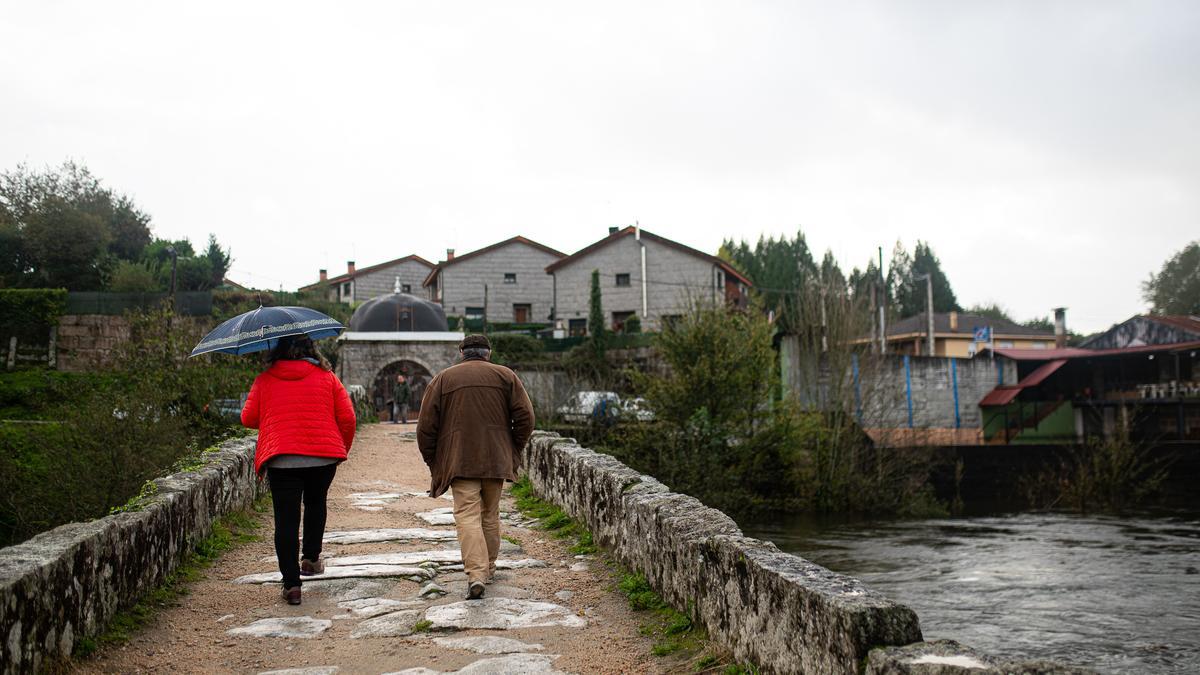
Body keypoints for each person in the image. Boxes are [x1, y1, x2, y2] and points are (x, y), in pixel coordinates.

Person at [416, 334, 535, 600]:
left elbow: (425, 427)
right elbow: (526, 418)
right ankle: (488, 568)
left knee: (467, 515)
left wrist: (434, 461)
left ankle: (476, 574)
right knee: (490, 514)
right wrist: (512, 449)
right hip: (496, 458)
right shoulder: (506, 376)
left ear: (462, 353)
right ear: (488, 353)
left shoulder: (444, 379)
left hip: (460, 461)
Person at [241, 334, 356, 606]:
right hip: (322, 458)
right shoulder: (327, 377)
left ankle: (292, 584)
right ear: (312, 348)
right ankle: (311, 559)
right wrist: (341, 448)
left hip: (282, 458)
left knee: (286, 520)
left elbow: (247, 418)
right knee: (316, 503)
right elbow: (348, 417)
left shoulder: (265, 379)